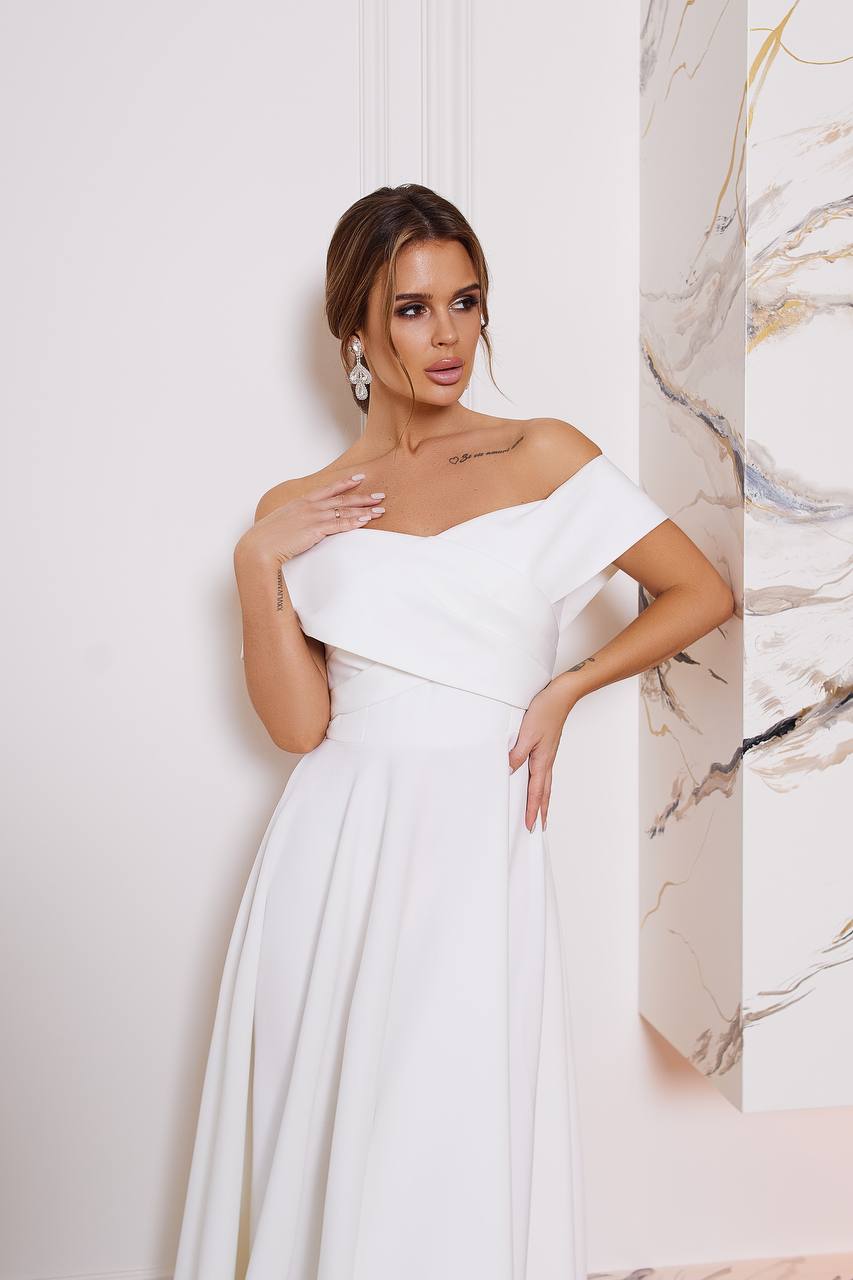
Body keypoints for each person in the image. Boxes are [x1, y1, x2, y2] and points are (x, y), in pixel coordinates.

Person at [173, 183, 734, 1280]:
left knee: (453, 1116)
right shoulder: (301, 502)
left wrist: (565, 687)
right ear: (355, 327)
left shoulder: (540, 452)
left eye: (464, 302)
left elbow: (697, 591)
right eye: (412, 308)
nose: (448, 337)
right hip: (335, 845)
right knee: (331, 1122)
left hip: (478, 834)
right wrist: (256, 559)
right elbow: (298, 725)